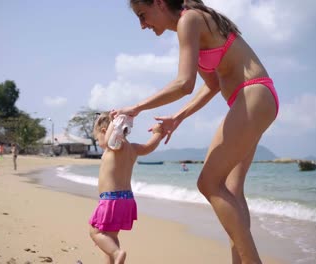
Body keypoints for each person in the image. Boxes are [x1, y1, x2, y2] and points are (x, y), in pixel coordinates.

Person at [112, 1, 280, 263]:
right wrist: (177, 117)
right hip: (254, 98)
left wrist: (136, 107)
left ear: (158, 3)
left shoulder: (188, 20)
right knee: (232, 191)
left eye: (142, 16)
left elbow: (183, 84)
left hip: (253, 94)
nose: (142, 25)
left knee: (208, 182)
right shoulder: (192, 25)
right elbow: (211, 85)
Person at [89, 112, 165, 264]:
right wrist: (158, 133)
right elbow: (149, 146)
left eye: (98, 139)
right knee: (110, 237)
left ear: (106, 132)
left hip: (111, 200)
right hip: (127, 200)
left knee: (95, 232)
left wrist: (116, 118)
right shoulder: (133, 149)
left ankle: (117, 254)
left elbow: (113, 133)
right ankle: (116, 258)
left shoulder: (114, 146)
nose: (99, 144)